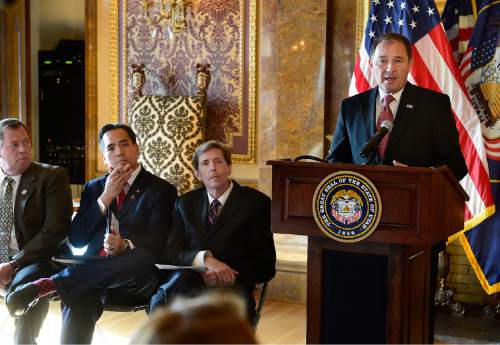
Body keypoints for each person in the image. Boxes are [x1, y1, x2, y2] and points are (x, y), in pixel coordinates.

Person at [6, 123, 178, 344]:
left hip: (135, 278)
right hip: (89, 277)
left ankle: (53, 284)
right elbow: (78, 238)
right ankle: (60, 285)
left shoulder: (161, 190)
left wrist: (125, 245)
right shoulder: (94, 188)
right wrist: (105, 199)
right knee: (78, 296)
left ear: (137, 148)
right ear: (104, 157)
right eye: (111, 148)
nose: (119, 152)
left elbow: (158, 242)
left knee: (142, 258)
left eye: (124, 144)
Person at [149, 140, 276, 320]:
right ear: (197, 173)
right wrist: (205, 260)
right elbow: (171, 253)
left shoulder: (256, 203)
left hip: (232, 286)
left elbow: (266, 265)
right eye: (205, 163)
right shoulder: (184, 203)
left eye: (218, 162)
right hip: (189, 282)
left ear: (229, 167)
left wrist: (224, 274)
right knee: (163, 300)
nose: (213, 168)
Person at [325, 32, 468, 181]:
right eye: (382, 61)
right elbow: (334, 160)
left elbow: (455, 165)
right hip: (362, 200)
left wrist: (421, 176)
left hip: (414, 199)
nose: (390, 68)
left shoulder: (434, 104)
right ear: (371, 65)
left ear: (410, 64)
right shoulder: (351, 107)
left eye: (398, 61)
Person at [0, 118, 72, 344]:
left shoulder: (51, 177)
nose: (23, 149)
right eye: (14, 145)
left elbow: (54, 231)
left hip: (33, 260)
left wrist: (12, 264)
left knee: (30, 282)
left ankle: (24, 341)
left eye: (26, 142)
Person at [131, 290, 258, 344]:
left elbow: (265, 267)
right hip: (186, 274)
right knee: (160, 299)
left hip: (235, 282)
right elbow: (172, 252)